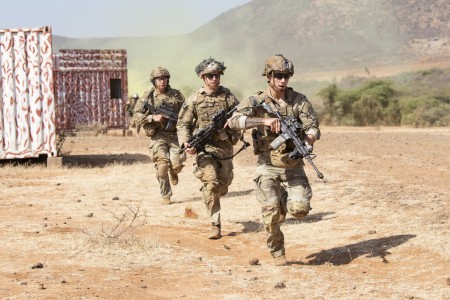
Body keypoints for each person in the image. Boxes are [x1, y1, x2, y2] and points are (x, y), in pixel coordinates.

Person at [225, 54, 321, 266]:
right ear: (268, 76)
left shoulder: (299, 101)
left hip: (293, 166)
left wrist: (309, 139)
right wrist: (264, 121)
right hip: (267, 166)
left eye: (286, 76)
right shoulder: (255, 100)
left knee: (300, 210)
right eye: (278, 75)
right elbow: (233, 121)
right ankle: (278, 252)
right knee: (270, 215)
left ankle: (285, 202)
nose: (283, 80)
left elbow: (313, 125)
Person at [177, 57, 241, 239]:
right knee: (211, 184)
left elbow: (239, 118)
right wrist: (186, 143)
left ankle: (210, 192)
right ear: (203, 77)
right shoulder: (195, 99)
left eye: (217, 75)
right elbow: (183, 124)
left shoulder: (229, 97)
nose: (215, 79)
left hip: (225, 149)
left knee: (223, 185)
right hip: (205, 149)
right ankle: (215, 224)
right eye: (211, 76)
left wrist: (232, 128)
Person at [133, 67, 186, 205]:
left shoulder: (177, 96)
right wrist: (152, 117)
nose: (162, 81)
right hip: (158, 135)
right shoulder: (147, 97)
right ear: (154, 81)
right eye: (159, 79)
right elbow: (136, 116)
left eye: (164, 78)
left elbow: (187, 113)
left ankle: (173, 171)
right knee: (162, 165)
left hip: (175, 135)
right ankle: (166, 195)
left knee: (177, 165)